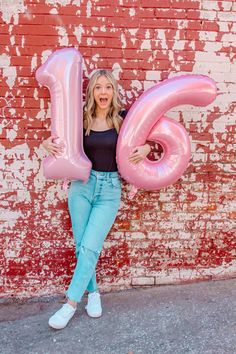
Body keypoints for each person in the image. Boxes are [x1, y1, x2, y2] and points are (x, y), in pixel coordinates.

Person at [42, 69, 151, 330]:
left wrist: (146, 148)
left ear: (114, 91)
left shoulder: (123, 119)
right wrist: (47, 144)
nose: (103, 92)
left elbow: (148, 139)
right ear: (91, 92)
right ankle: (94, 293)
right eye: (98, 87)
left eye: (108, 87)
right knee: (82, 247)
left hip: (110, 189)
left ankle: (69, 304)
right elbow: (59, 142)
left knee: (90, 246)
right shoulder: (81, 119)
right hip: (82, 186)